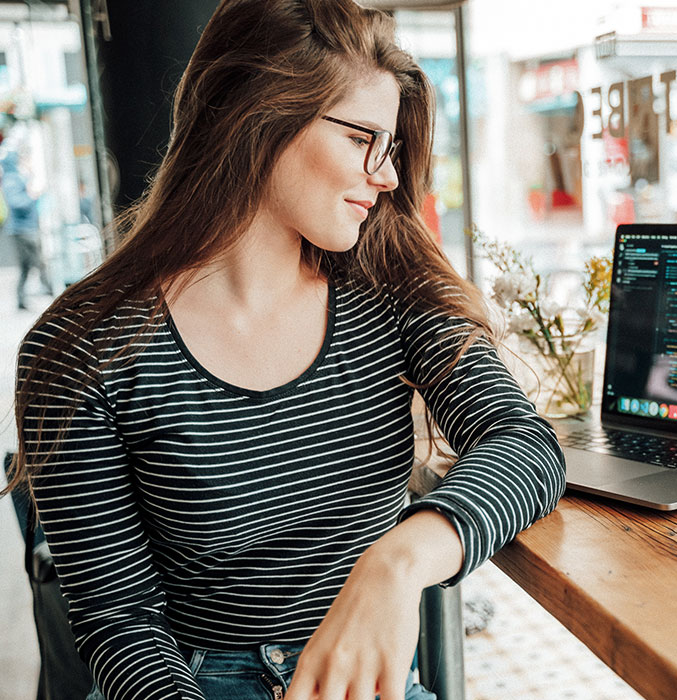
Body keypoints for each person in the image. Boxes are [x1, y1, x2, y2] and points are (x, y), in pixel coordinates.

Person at [6, 1, 567, 699]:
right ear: (257, 116)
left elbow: (527, 444)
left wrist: (398, 562)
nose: (388, 176)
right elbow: (119, 623)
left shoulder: (392, 289)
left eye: (390, 146)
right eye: (362, 138)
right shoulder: (81, 349)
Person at [3, 149, 53, 309]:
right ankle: (49, 289)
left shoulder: (18, 177)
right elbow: (16, 203)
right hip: (22, 229)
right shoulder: (12, 179)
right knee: (36, 262)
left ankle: (23, 298)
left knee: (28, 265)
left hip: (26, 227)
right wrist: (32, 196)